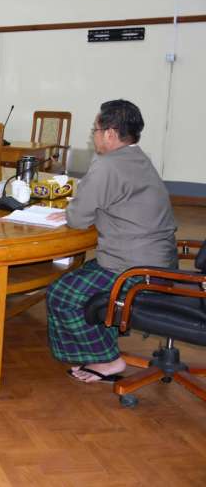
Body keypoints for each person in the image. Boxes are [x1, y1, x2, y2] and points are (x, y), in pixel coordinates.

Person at [45, 99, 177, 384]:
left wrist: (72, 210)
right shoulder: (139, 158)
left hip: (134, 269)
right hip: (162, 262)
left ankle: (107, 360)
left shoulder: (107, 165)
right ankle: (104, 345)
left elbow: (77, 218)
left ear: (109, 133)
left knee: (62, 294)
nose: (93, 136)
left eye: (95, 130)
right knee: (83, 278)